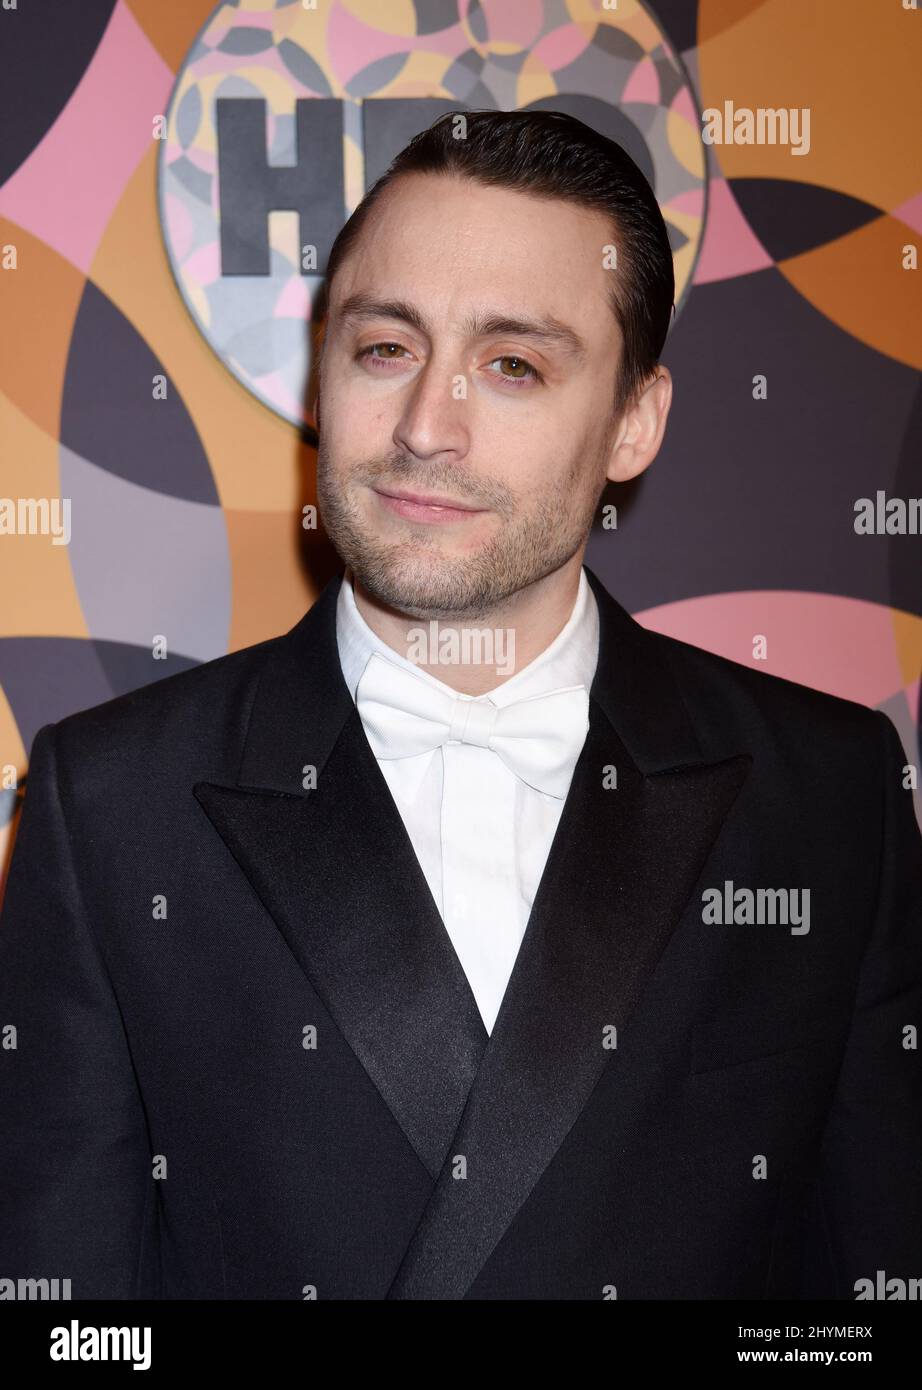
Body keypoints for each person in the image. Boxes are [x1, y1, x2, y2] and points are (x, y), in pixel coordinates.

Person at [1, 110, 920, 1301]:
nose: (426, 428)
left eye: (513, 365)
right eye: (385, 348)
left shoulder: (827, 791)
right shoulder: (112, 802)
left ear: (634, 422)